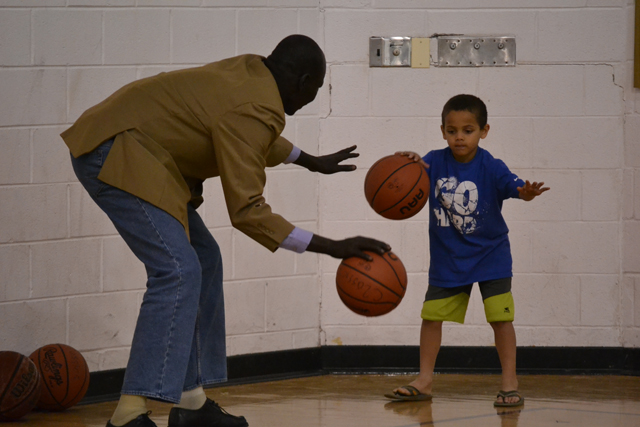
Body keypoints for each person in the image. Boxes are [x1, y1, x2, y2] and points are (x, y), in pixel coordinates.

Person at [62, 34, 390, 427]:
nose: (311, 99)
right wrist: (330, 246)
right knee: (177, 270)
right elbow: (248, 211)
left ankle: (191, 402)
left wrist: (308, 161)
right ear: (303, 82)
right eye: (316, 89)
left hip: (143, 153)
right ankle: (128, 414)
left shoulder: (251, 71)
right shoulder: (256, 104)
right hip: (116, 151)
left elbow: (247, 132)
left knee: (205, 259)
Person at [384, 94, 549, 407]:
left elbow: (515, 188)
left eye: (468, 130)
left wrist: (526, 193)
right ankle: (425, 380)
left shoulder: (492, 166)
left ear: (484, 131)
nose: (459, 136)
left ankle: (509, 384)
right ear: (443, 131)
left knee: (501, 320)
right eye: (452, 130)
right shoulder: (434, 160)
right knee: (431, 318)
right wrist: (405, 164)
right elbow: (410, 175)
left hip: (491, 257)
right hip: (449, 258)